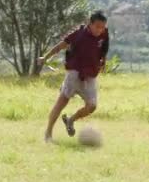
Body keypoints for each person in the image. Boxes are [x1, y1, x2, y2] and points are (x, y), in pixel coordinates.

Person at [38, 11, 109, 143]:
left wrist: (103, 61)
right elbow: (60, 46)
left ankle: (71, 120)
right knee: (61, 103)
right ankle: (48, 134)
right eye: (97, 26)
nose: (100, 30)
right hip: (74, 73)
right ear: (90, 24)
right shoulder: (78, 34)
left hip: (90, 75)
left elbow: (104, 47)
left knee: (92, 106)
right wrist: (45, 57)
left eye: (102, 27)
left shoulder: (104, 33)